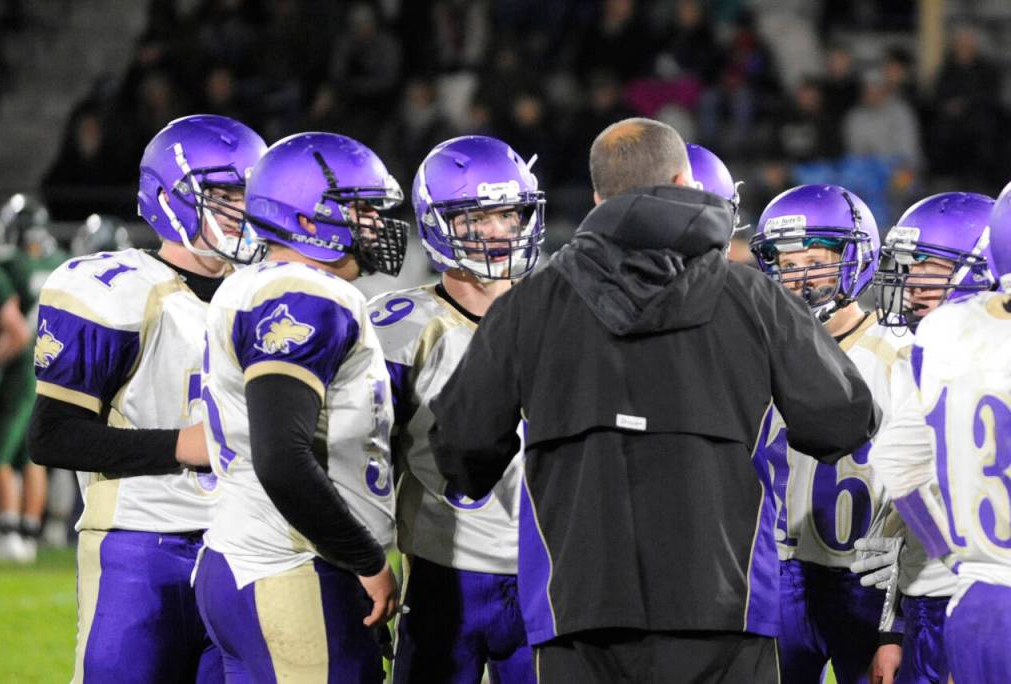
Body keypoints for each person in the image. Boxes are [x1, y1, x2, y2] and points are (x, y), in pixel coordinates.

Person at [428, 117, 879, 682]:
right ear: (686, 181)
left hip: (578, 608)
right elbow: (843, 421)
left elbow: (461, 446)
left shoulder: (531, 304)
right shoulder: (754, 297)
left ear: (596, 197)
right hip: (725, 605)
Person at [26, 114, 267, 683]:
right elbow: (52, 434)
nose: (241, 209)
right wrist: (181, 446)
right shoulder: (117, 289)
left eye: (248, 194)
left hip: (248, 550)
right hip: (139, 552)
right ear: (170, 198)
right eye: (224, 194)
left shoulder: (270, 296)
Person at [193, 131, 407, 683]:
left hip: (245, 560)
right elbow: (282, 456)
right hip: (293, 564)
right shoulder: (306, 293)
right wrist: (368, 561)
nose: (375, 224)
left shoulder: (252, 284)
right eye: (359, 209)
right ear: (307, 220)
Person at [370, 135, 545, 683]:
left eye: (508, 215)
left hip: (550, 572)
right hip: (443, 571)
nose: (498, 232)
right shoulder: (400, 326)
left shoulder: (562, 311)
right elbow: (363, 458)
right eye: (477, 218)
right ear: (438, 223)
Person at [749, 183, 911, 684]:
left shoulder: (898, 351)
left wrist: (899, 606)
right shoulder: (754, 346)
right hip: (777, 568)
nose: (800, 277)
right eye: (788, 263)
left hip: (865, 577)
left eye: (816, 260)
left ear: (855, 257)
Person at [871, 180, 1011, 683]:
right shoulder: (927, 347)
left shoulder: (949, 346)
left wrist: (957, 565)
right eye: (909, 274)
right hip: (942, 597)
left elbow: (897, 468)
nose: (912, 288)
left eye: (930, 272)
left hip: (976, 598)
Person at [0, 196, 67, 564]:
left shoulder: (11, 264)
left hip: (20, 370)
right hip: (53, 365)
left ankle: (8, 530)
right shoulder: (58, 263)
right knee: (32, 455)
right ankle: (29, 531)